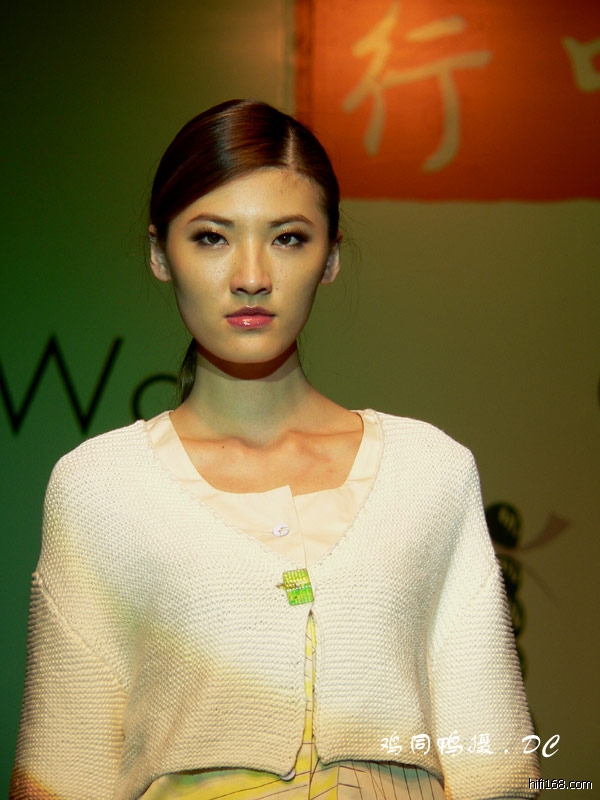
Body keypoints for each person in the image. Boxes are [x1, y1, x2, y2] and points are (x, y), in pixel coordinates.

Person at [10, 99, 541, 800]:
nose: (251, 275)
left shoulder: (431, 472)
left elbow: (499, 765)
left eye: (288, 238)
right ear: (159, 254)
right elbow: (61, 771)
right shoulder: (100, 487)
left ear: (331, 257)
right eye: (211, 237)